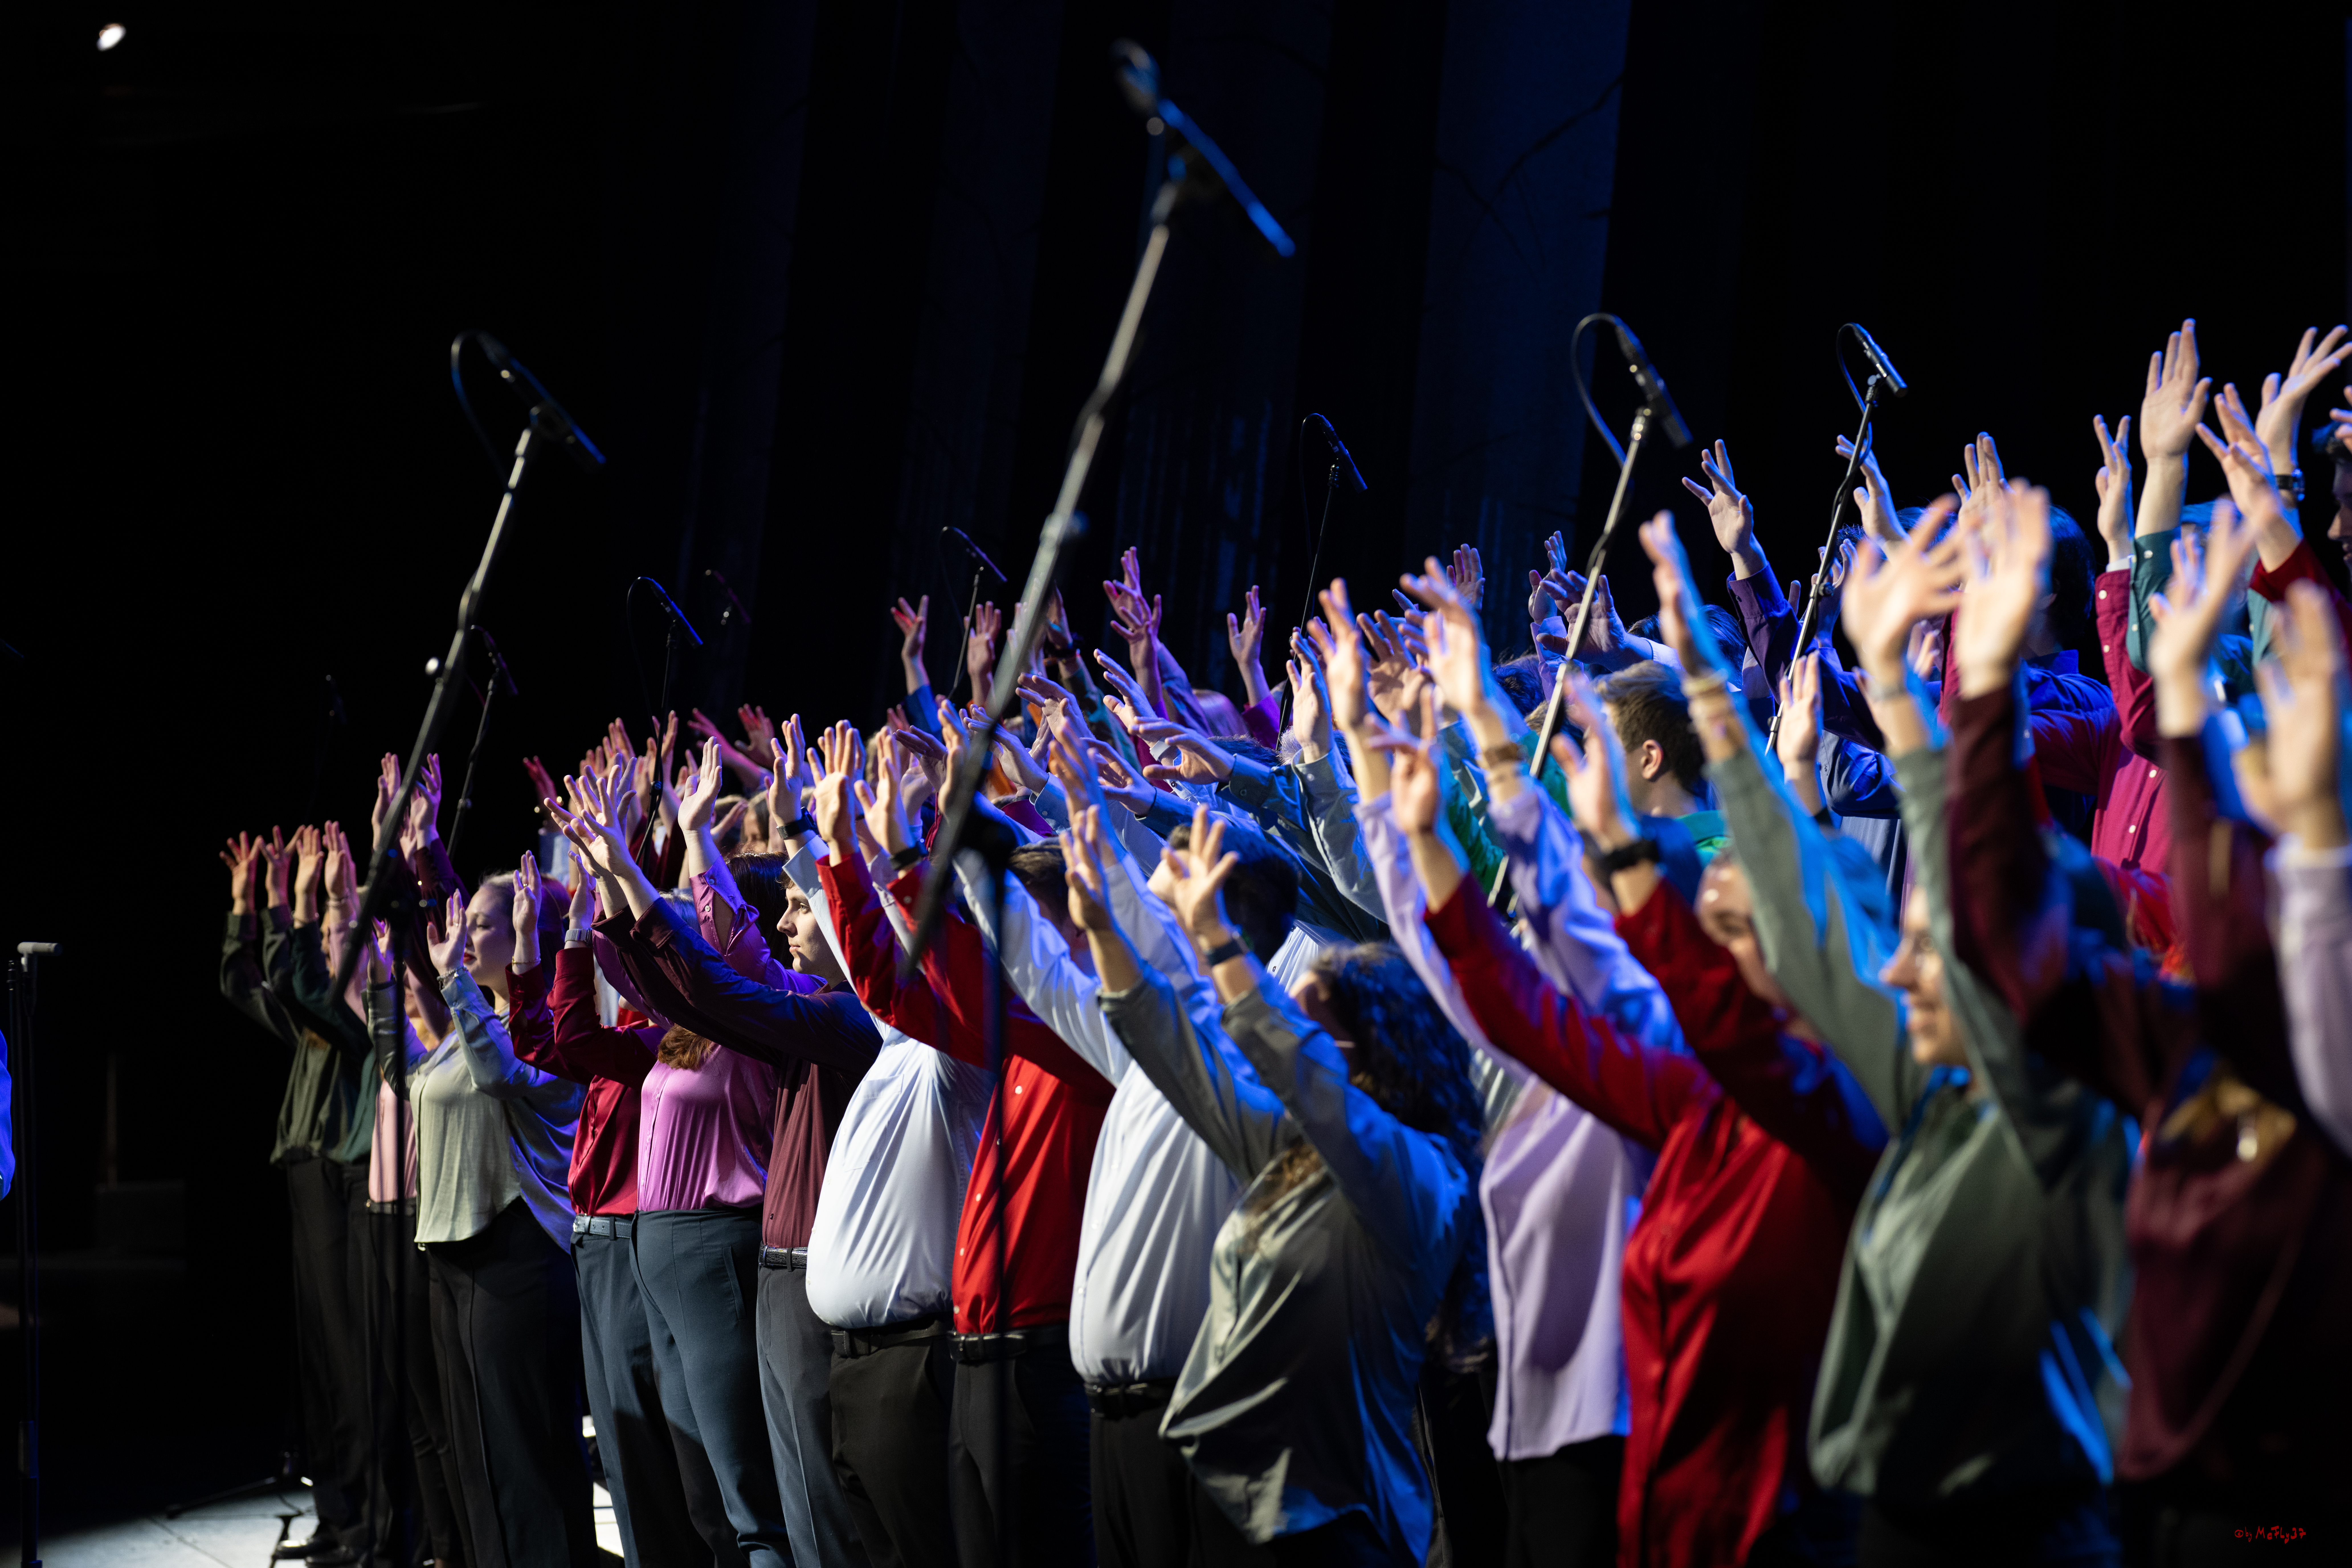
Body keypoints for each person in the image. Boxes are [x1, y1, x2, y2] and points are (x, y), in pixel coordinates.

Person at [1646, 496, 2135, 1566]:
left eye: (1935, 950)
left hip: (2018, 1540)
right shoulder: (1931, 1098)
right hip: (1889, 1526)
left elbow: (1969, 900)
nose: (1901, 969)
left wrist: (1929, 694)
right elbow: (1813, 932)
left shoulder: (2067, 1123)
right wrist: (1717, 707)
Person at [1396, 576, 1888, 1566]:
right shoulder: (1698, 1099)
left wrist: (1617, 845)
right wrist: (1413, 830)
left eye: (1731, 921)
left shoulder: (1838, 1107)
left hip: (1779, 1536)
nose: (1705, 934)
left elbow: (1703, 1010)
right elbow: (1519, 1012)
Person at [1077, 799, 1480, 1567]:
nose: (1281, 1037)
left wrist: (1220, 941)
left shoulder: (1427, 1176)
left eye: (1306, 1023)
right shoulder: (1296, 1150)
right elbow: (1178, 1052)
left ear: (1368, 1049)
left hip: (1328, 1522)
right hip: (1229, 1500)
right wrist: (1103, 929)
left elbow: (1310, 1081)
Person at [556, 735, 886, 1568]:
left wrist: (690, 844)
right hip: (731, 1261)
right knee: (725, 1497)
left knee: (777, 1506)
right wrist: (614, 874)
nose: (787, 923)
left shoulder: (834, 1014)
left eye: (801, 909)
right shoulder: (746, 1018)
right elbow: (665, 974)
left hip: (763, 1259)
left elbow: (720, 963)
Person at [817, 722, 1113, 1565]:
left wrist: (906, 859)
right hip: (978, 1354)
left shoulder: (1087, 1032)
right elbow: (892, 987)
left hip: (1042, 1360)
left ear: (1073, 934)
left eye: (1020, 928)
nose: (1002, 946)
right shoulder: (1017, 1032)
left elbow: (979, 985)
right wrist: (843, 855)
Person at [390, 865, 594, 1567]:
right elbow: (413, 1078)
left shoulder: (551, 1028)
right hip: (453, 1253)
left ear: (527, 931)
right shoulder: (471, 1023)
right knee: (475, 1455)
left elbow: (500, 1074)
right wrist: (382, 990)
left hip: (515, 1250)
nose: (465, 934)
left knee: (524, 1456)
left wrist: (451, 981)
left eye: (481, 922)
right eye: (466, 920)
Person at [218, 823, 374, 1566]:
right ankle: (337, 1516)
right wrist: (249, 906)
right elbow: (244, 982)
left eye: (342, 936)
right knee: (318, 1365)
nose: (330, 946)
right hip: (307, 1176)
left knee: (350, 1360)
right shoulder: (312, 1019)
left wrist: (298, 907)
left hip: (348, 1179)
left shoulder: (363, 1016)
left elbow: (299, 980)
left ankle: (370, 1523)